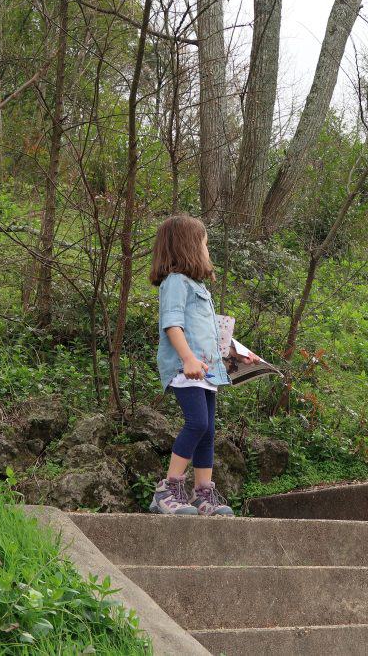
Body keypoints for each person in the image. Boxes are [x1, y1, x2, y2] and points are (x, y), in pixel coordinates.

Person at [148, 214, 257, 516]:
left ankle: (202, 494)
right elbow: (172, 324)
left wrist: (239, 352)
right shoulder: (175, 283)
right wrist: (187, 359)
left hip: (207, 370)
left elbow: (212, 335)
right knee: (197, 423)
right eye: (206, 246)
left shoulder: (200, 288)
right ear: (190, 247)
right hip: (187, 369)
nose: (208, 253)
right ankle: (167, 490)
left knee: (207, 431)